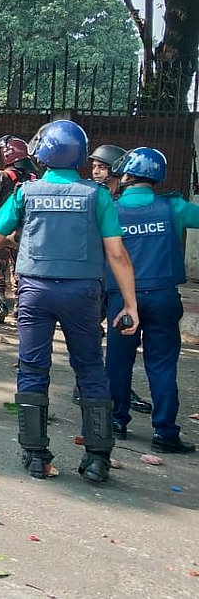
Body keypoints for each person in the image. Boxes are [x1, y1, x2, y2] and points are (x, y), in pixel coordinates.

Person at [0, 119, 139, 483]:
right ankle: (98, 459)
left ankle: (37, 456)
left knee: (33, 369)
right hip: (83, 294)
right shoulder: (97, 195)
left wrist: (20, 245)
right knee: (90, 369)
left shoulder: (26, 192)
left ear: (45, 154)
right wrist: (130, 305)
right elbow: (117, 254)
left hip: (35, 292)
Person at [104, 148, 196, 453]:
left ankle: (116, 420)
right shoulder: (174, 207)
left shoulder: (110, 209)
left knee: (118, 363)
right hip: (163, 297)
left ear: (127, 174)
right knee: (162, 364)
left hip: (121, 298)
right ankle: (164, 431)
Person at [84, 142, 153, 415]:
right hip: (97, 276)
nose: (96, 172)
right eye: (94, 167)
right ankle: (94, 385)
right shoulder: (96, 198)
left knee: (119, 338)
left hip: (116, 278)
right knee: (93, 332)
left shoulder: (120, 203)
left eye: (102, 167)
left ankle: (118, 388)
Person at [0, 135, 39, 324]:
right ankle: (19, 307)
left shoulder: (1, 177)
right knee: (19, 269)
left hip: (0, 230)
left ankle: (0, 304)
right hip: (23, 232)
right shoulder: (33, 178)